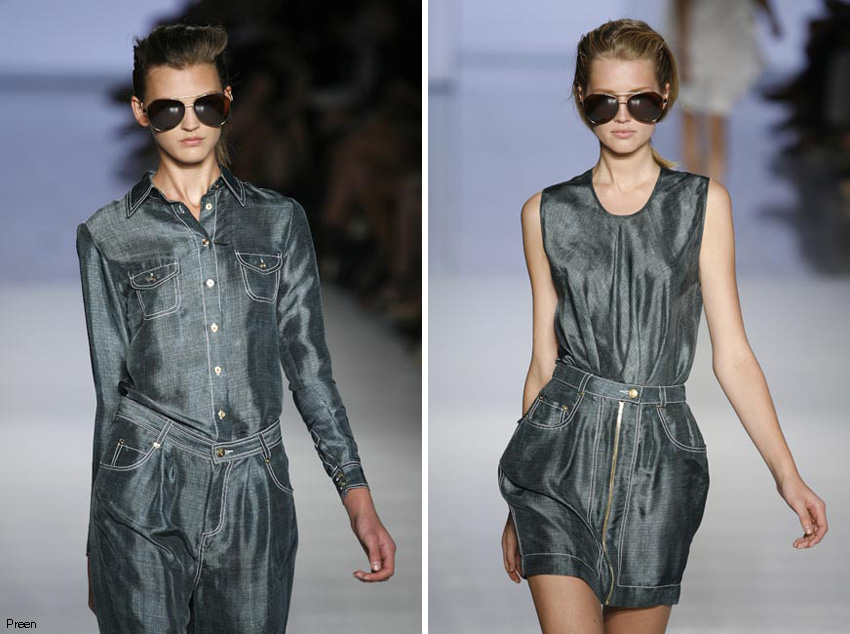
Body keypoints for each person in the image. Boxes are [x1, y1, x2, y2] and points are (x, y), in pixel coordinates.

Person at [497, 18, 826, 633]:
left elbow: (733, 354)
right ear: (581, 99)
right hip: (558, 459)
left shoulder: (703, 204)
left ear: (667, 95)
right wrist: (519, 496)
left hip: (660, 461)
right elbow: (543, 360)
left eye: (641, 101)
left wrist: (787, 473)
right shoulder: (545, 212)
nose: (623, 117)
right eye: (605, 102)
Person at [76, 23, 395, 633]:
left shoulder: (279, 222)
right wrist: (98, 545)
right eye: (169, 109)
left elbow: (309, 369)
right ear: (141, 112)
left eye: (205, 105)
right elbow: (109, 396)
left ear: (228, 102)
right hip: (143, 487)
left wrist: (356, 494)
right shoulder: (108, 234)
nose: (190, 123)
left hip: (256, 486)